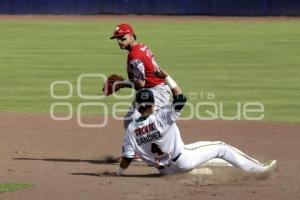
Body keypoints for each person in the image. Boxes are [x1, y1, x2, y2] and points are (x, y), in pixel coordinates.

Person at [116, 68, 277, 176]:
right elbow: (181, 98)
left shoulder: (131, 128)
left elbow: (127, 158)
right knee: (221, 148)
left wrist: (119, 174)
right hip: (183, 161)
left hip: (165, 171)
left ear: (137, 105)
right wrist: (166, 77)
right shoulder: (161, 116)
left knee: (198, 152)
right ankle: (259, 170)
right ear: (153, 104)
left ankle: (201, 169)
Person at [110, 23, 171, 129]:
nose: (119, 41)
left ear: (131, 35)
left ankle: (160, 144)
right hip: (152, 89)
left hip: (157, 91)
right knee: (130, 121)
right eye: (117, 39)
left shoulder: (134, 55)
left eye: (122, 38)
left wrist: (122, 84)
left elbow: (140, 85)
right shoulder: (140, 47)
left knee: (138, 123)